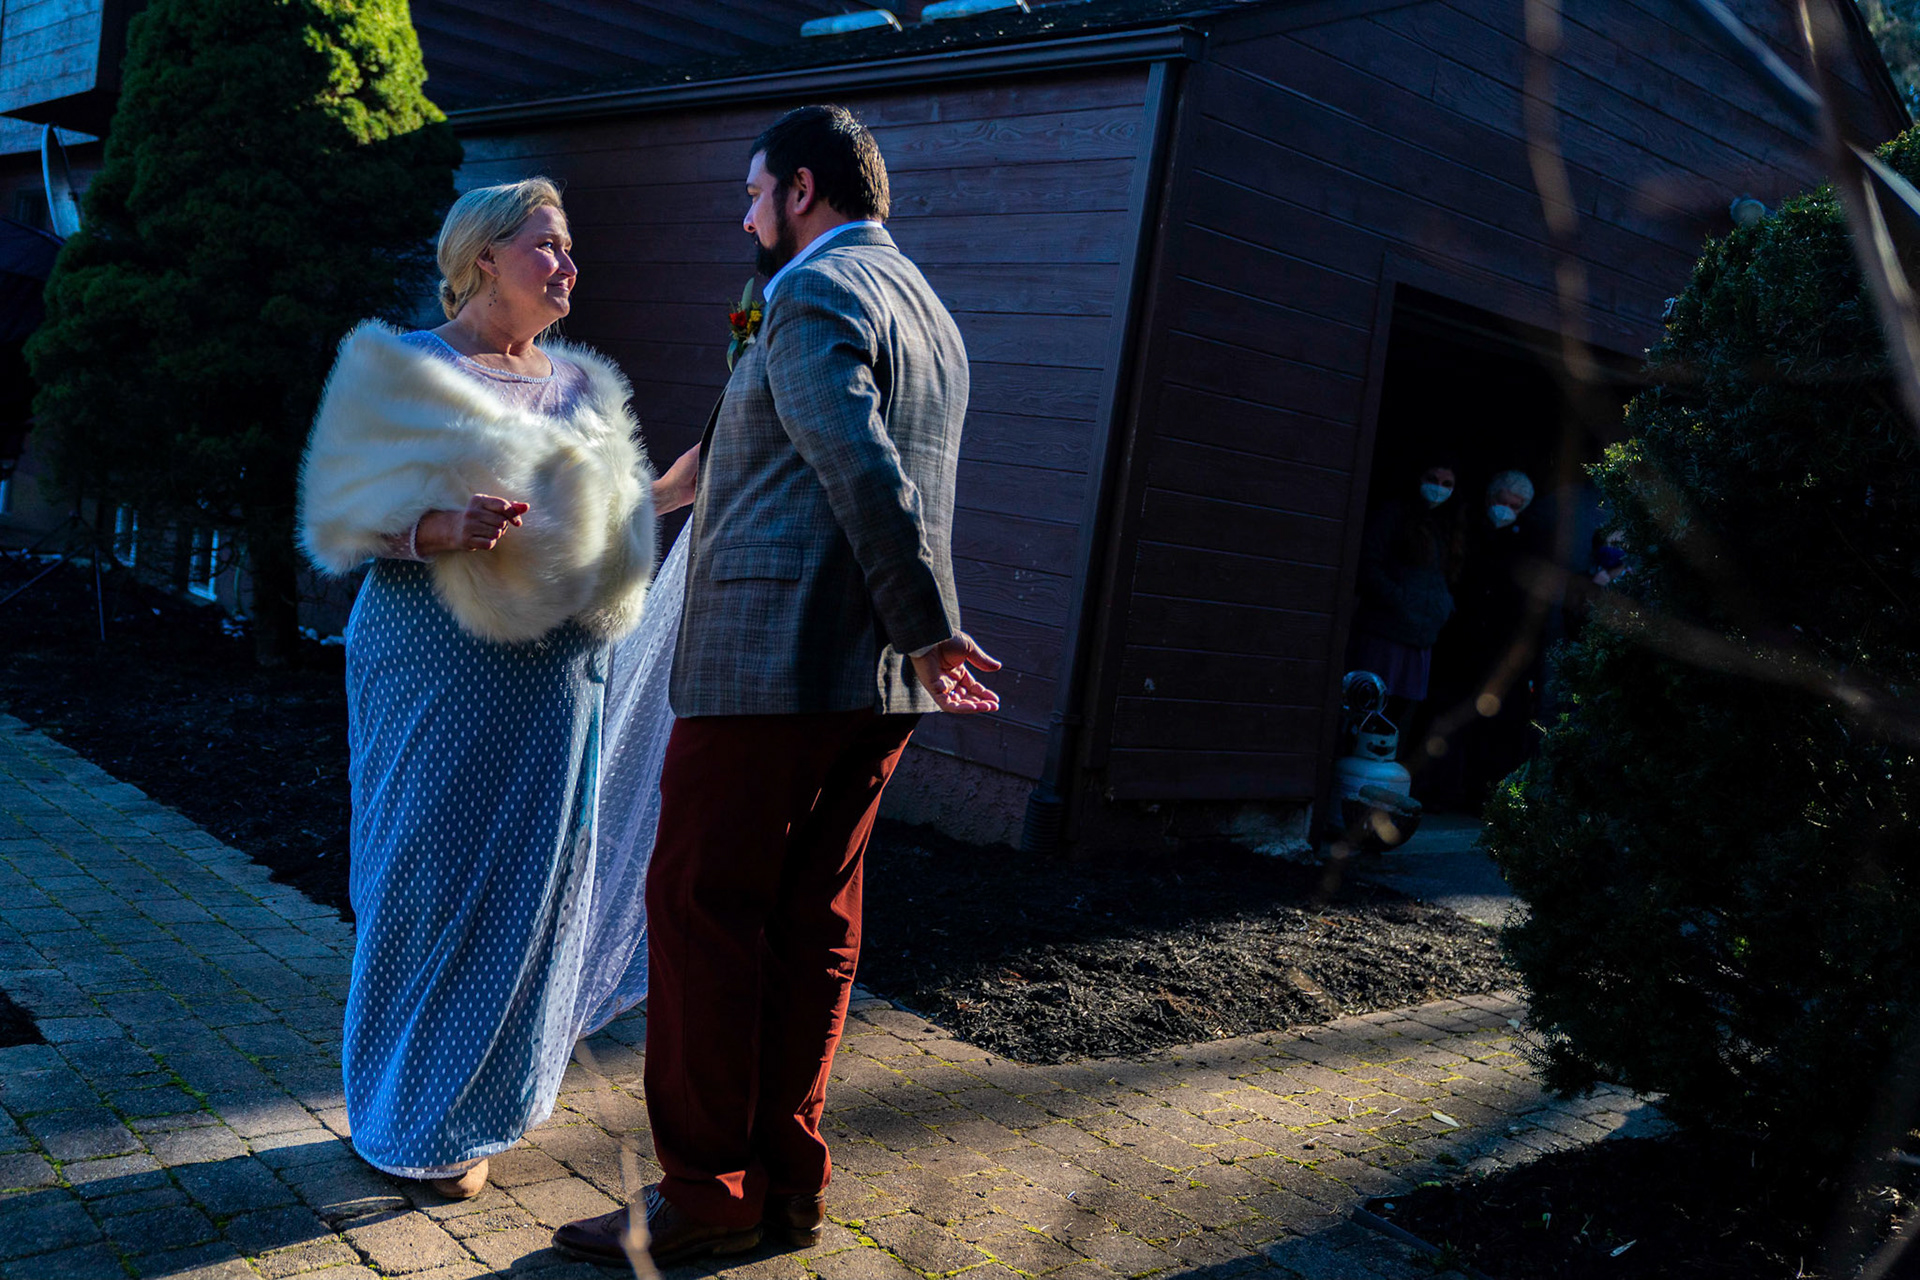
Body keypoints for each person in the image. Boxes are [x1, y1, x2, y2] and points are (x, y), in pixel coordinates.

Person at [553, 105, 1000, 1270]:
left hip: (776, 665)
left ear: (802, 188)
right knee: (814, 924)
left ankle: (708, 1192)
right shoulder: (932, 312)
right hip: (872, 686)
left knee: (702, 909)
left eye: (754, 196)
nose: (745, 218)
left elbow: (860, 461)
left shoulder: (808, 292)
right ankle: (786, 1183)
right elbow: (773, 455)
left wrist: (934, 627)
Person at [296, 178, 698, 1200]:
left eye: (571, 251)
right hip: (434, 663)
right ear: (484, 255)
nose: (570, 266)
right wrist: (439, 529)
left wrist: (679, 488)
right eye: (549, 246)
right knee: (424, 879)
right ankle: (400, 1115)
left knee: (533, 891)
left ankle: (479, 1105)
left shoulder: (586, 388)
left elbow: (608, 529)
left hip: (559, 681)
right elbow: (341, 517)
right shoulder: (402, 368)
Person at [1430, 468, 1541, 805]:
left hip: (1497, 646)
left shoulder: (1527, 542)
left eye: (1515, 505)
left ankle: (1481, 794)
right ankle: (1437, 791)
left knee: (1492, 726)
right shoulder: (1466, 530)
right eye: (1502, 501)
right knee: (1448, 715)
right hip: (1461, 639)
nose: (1506, 509)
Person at [1347, 458, 1462, 739]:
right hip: (1386, 633)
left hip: (1418, 637)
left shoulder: (1444, 525)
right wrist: (1400, 599)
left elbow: (1442, 577)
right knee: (1366, 711)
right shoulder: (1394, 515)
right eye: (1433, 480)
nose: (1439, 489)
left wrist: (1442, 605)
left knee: (1393, 721)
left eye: (1447, 484)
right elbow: (1368, 564)